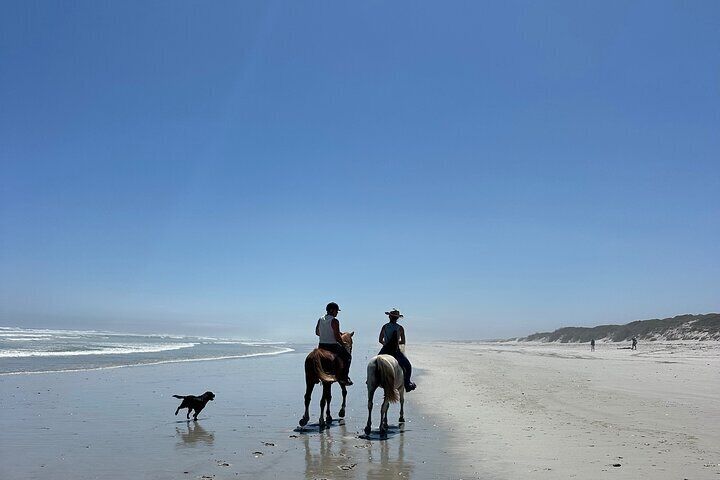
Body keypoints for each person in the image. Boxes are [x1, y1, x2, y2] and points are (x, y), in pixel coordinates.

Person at [378, 308, 416, 392]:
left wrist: (386, 344)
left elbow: (380, 340)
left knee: (375, 363)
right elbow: (403, 341)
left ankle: (370, 380)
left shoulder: (385, 326)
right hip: (395, 351)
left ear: (389, 317)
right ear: (397, 318)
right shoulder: (400, 328)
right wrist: (395, 343)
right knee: (408, 366)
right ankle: (407, 384)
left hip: (385, 350)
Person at [316, 302, 353, 385]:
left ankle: (316, 377)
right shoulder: (334, 321)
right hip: (331, 346)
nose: (337, 313)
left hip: (321, 346)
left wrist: (326, 333)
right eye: (336, 311)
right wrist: (343, 343)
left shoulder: (320, 319)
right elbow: (337, 337)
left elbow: (317, 332)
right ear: (332, 310)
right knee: (347, 357)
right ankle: (344, 378)